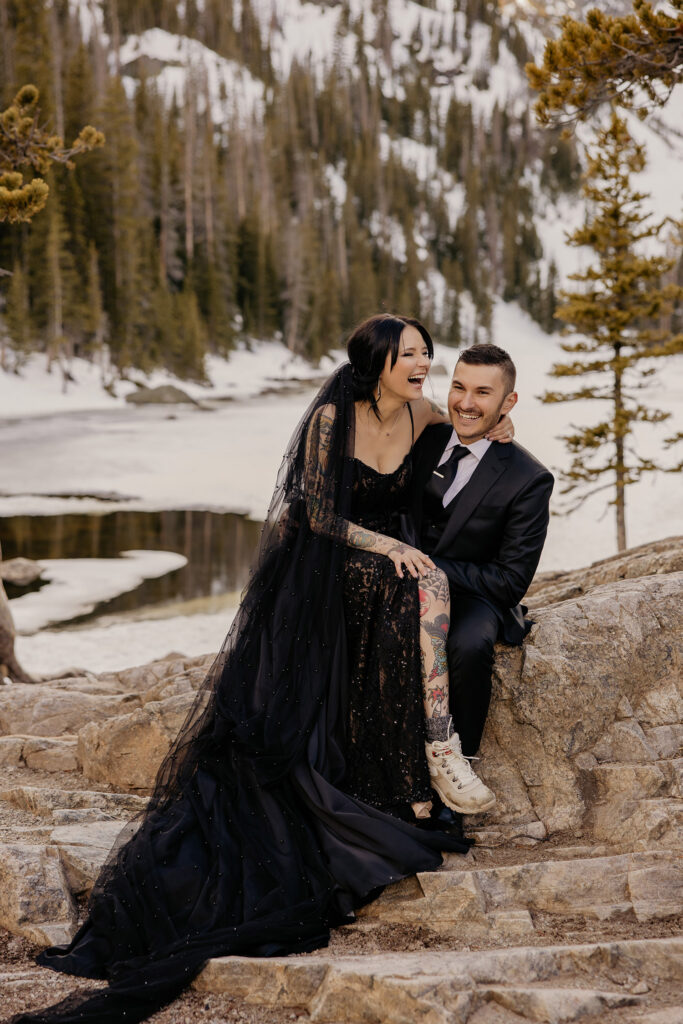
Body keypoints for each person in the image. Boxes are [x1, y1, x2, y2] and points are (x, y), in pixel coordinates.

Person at [7, 316, 513, 1024]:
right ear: (377, 362)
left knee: (413, 589)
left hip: (387, 566)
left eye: (427, 352)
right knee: (402, 584)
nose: (424, 363)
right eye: (410, 354)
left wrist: (500, 431)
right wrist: (389, 548)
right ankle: (418, 757)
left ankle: (425, 762)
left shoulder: (424, 413)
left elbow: (466, 435)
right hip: (324, 563)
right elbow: (318, 513)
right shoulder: (333, 418)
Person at [406, 343, 554, 833]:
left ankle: (458, 764)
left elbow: (510, 582)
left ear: (508, 403)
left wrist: (431, 567)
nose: (466, 403)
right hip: (398, 577)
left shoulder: (529, 479)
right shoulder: (424, 437)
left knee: (468, 644)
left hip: (474, 594)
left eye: (483, 393)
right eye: (459, 387)